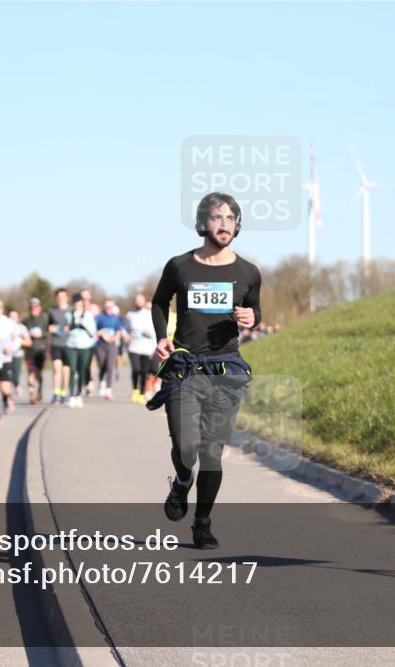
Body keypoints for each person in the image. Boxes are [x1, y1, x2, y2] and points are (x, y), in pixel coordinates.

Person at [148, 192, 261, 549]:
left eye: (230, 218)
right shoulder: (180, 266)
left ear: (237, 225)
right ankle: (182, 482)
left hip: (225, 370)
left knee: (212, 453)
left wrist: (252, 318)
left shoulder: (248, 272)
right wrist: (161, 337)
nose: (224, 224)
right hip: (184, 367)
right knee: (186, 448)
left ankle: (202, 523)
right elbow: (158, 301)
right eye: (217, 217)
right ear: (203, 223)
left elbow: (256, 311)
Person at [65, 293, 96, 409]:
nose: (77, 304)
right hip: (71, 345)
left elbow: (93, 332)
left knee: (82, 370)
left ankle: (79, 394)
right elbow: (65, 329)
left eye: (79, 302)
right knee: (72, 370)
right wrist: (66, 329)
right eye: (75, 302)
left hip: (84, 346)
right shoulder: (68, 315)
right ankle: (72, 395)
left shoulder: (88, 315)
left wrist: (83, 323)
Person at [124, 293, 156, 404]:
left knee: (144, 372)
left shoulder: (149, 314)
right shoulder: (130, 315)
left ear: (144, 301)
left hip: (146, 347)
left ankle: (142, 393)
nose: (138, 302)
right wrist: (126, 335)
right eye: (136, 300)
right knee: (136, 369)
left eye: (140, 300)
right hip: (133, 346)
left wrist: (150, 333)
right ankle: (135, 389)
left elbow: (155, 329)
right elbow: (125, 328)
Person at [94, 299, 124, 400]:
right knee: (102, 365)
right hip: (101, 345)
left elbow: (119, 330)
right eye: (107, 307)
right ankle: (102, 381)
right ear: (104, 307)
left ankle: (109, 389)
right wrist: (102, 334)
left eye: (110, 307)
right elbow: (94, 329)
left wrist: (115, 338)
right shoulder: (99, 317)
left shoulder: (116, 318)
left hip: (112, 345)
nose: (108, 309)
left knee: (110, 366)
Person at [47, 288, 72, 404]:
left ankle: (64, 392)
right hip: (56, 343)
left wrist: (69, 329)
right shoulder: (52, 311)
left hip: (69, 344)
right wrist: (54, 328)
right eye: (58, 297)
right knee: (56, 368)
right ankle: (56, 392)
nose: (60, 299)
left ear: (67, 297)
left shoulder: (72, 311)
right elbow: (48, 327)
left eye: (63, 296)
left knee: (66, 370)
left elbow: (74, 326)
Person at [22, 297, 48, 404]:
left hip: (40, 350)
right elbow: (21, 333)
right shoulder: (26, 320)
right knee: (30, 372)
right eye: (32, 306)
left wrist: (42, 334)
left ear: (40, 307)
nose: (34, 308)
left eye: (36, 306)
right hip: (29, 350)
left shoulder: (44, 319)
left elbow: (48, 333)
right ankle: (31, 394)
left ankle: (40, 388)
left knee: (38, 373)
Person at [8, 308, 31, 401]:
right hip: (6, 355)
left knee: (16, 375)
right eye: (10, 317)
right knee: (7, 376)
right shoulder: (4, 327)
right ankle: (8, 399)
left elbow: (28, 342)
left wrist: (19, 341)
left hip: (18, 354)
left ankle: (17, 385)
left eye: (14, 317)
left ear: (18, 318)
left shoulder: (21, 328)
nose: (12, 319)